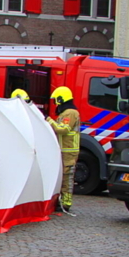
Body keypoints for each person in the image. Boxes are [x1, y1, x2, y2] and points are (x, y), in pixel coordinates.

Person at [47, 86, 80, 215]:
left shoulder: (70, 113)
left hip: (69, 150)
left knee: (67, 177)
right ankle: (61, 201)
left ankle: (66, 203)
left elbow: (63, 129)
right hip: (63, 149)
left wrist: (49, 120)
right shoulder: (65, 113)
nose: (55, 103)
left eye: (56, 100)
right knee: (62, 177)